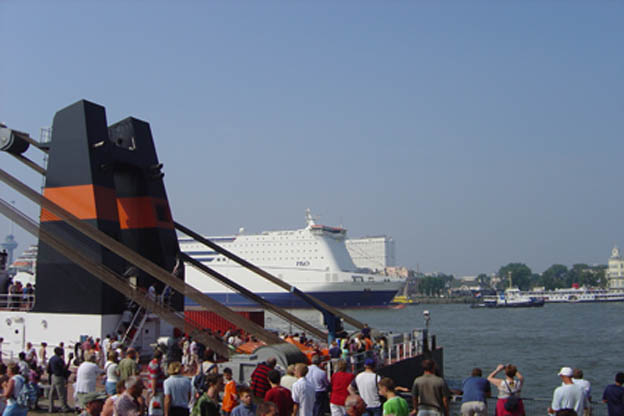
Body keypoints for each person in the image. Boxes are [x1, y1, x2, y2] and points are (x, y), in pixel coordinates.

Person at [47, 346, 71, 412]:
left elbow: (48, 368)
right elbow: (64, 369)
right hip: (59, 376)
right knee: (61, 393)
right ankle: (64, 407)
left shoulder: (52, 358)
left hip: (53, 376)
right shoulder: (59, 360)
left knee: (51, 393)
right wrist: (69, 360)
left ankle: (51, 408)